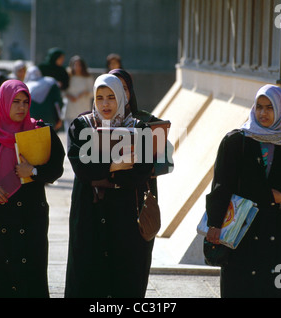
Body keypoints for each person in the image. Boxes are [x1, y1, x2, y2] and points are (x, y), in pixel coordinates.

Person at [205, 84, 281, 298]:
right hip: (239, 230)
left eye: (270, 108)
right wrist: (214, 223)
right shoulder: (236, 141)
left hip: (277, 229)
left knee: (276, 288)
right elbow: (221, 185)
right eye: (259, 107)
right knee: (237, 288)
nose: (263, 113)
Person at [65, 74, 167, 298]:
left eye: (111, 97)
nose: (105, 103)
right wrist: (114, 166)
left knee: (124, 277)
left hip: (126, 215)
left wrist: (101, 173)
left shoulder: (139, 127)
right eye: (100, 97)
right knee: (87, 277)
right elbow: (81, 168)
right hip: (89, 214)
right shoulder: (82, 126)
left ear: (122, 97)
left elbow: (140, 172)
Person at [0, 79, 65, 298]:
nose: (21, 107)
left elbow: (56, 167)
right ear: (3, 101)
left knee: (30, 267)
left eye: (25, 102)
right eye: (15, 101)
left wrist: (33, 172)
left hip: (30, 214)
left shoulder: (40, 131)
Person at [109, 68, 174, 193]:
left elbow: (167, 158)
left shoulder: (146, 120)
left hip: (139, 191)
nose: (120, 93)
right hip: (107, 194)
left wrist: (146, 167)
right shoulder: (94, 122)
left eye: (124, 88)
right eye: (114, 88)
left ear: (130, 92)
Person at [24, 66, 64, 131]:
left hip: (32, 122)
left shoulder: (25, 86)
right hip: (50, 119)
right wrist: (59, 118)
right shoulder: (50, 82)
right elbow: (57, 103)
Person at [63, 55, 93, 133]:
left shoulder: (88, 78)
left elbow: (93, 93)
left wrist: (83, 93)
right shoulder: (68, 77)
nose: (77, 67)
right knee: (70, 132)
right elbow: (62, 91)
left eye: (79, 65)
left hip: (83, 108)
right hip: (70, 108)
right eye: (75, 65)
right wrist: (69, 96)